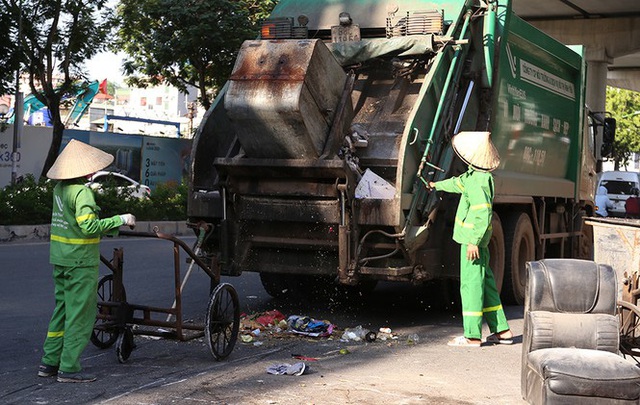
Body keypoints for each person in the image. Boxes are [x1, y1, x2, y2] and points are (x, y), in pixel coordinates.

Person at [38, 139, 136, 383]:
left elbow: (71, 224)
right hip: (80, 262)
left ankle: (49, 362)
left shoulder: (59, 190)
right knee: (80, 315)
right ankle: (69, 368)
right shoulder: (82, 192)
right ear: (85, 170)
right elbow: (89, 226)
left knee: (61, 311)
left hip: (60, 260)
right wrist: (120, 219)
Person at [428, 131, 512, 348]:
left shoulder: (478, 182)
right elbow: (457, 184)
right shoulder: (475, 177)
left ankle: (472, 336)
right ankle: (502, 330)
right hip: (478, 242)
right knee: (487, 285)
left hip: (472, 242)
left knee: (471, 285)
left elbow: (482, 214)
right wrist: (435, 185)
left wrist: (473, 240)